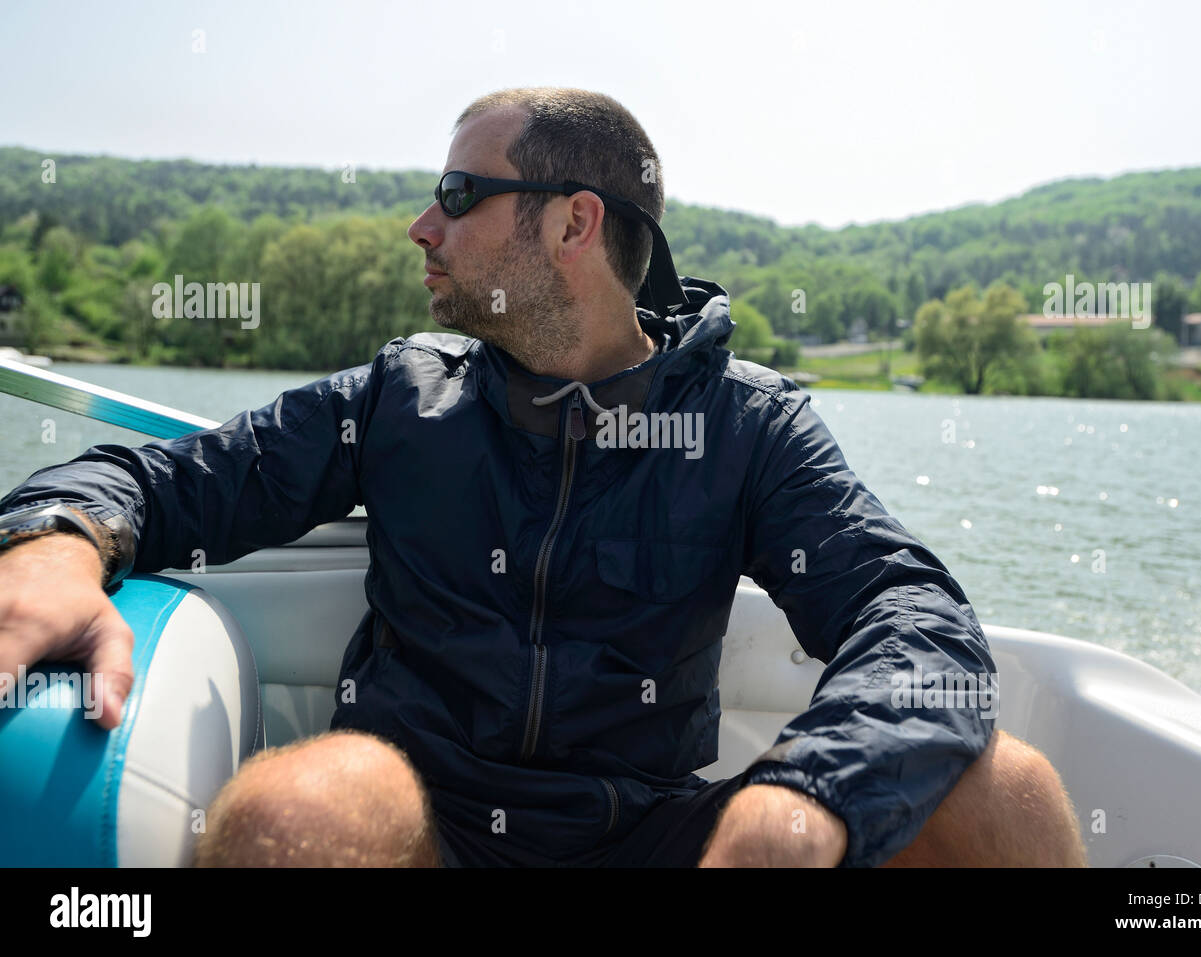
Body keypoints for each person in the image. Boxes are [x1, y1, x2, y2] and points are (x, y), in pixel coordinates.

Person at [0, 87, 1087, 868]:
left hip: (652, 832)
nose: (421, 226)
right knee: (300, 808)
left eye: (458, 195)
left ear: (573, 222)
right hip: (424, 818)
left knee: (1004, 789)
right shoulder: (399, 400)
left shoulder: (746, 424)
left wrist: (808, 797)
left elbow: (912, 616)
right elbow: (169, 481)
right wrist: (56, 538)